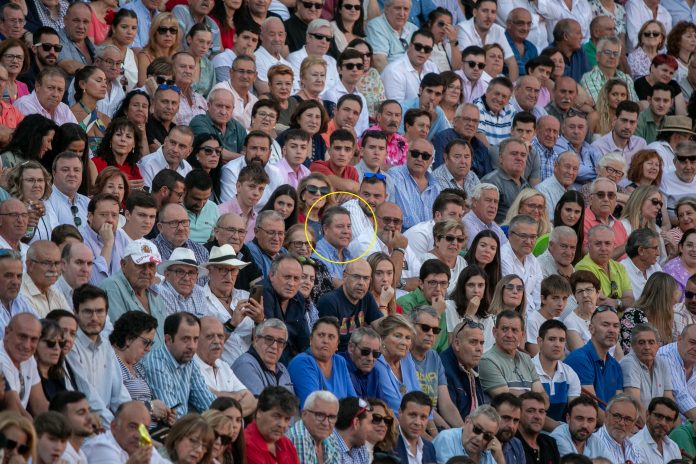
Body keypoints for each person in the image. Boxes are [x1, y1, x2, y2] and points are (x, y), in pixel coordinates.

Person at [66, 284, 131, 421]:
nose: (94, 318)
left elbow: (120, 395)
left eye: (100, 311)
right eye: (88, 312)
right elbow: (89, 398)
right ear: (75, 313)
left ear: (106, 314)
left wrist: (134, 424)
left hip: (109, 425)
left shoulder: (106, 345)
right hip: (86, 426)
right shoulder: (71, 346)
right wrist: (119, 430)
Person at [142, 312, 216, 418]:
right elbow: (172, 415)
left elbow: (207, 402)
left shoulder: (189, 360)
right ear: (168, 339)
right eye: (186, 339)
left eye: (195, 339)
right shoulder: (156, 364)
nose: (192, 346)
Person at [564, 305, 623, 414]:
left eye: (616, 326)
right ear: (591, 329)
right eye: (605, 325)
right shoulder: (579, 359)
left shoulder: (616, 366)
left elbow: (618, 407)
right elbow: (591, 411)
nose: (612, 330)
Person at [288, 316, 357, 407]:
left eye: (331, 337)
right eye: (321, 335)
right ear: (311, 339)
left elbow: (354, 402)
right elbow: (314, 407)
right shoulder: (302, 363)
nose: (325, 341)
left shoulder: (340, 362)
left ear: (337, 344)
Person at [194, 317, 256, 415]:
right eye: (210, 336)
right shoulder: (190, 366)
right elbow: (208, 401)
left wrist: (228, 416)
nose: (217, 341)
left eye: (220, 336)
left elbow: (251, 401)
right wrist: (235, 396)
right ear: (196, 340)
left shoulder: (223, 366)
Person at [478, 310, 546, 400]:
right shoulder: (487, 361)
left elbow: (543, 398)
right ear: (495, 332)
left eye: (514, 330)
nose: (509, 335)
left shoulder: (526, 358)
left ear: (522, 335)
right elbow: (508, 403)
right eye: (504, 329)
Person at [81, 401, 167, 464]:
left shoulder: (143, 446)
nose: (139, 436)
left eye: (144, 429)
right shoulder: (101, 446)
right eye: (132, 427)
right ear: (114, 427)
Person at [532, 320, 580, 425]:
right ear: (540, 342)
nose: (557, 344)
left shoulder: (570, 373)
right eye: (552, 339)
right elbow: (529, 415)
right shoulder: (527, 369)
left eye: (562, 340)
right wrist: (560, 430)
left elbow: (575, 412)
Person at [576, 225, 635, 310]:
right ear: (588, 245)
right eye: (598, 244)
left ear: (614, 245)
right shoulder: (583, 267)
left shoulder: (620, 267)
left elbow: (630, 299)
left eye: (607, 243)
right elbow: (599, 301)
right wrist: (622, 302)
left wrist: (617, 302)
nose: (603, 248)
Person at [262, 254, 309, 361]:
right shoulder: (263, 291)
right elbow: (270, 339)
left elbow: (304, 340)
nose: (291, 283)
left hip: (292, 360)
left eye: (296, 278)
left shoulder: (299, 298)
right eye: (287, 277)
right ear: (271, 275)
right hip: (269, 359)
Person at [387, 138, 442, 229]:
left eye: (425, 156)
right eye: (415, 154)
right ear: (407, 154)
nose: (419, 159)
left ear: (431, 160)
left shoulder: (436, 186)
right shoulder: (394, 176)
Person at [231, 319, 294, 395]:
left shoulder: (283, 369)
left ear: (284, 347)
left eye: (280, 342)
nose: (274, 346)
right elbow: (261, 405)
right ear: (256, 340)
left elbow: (292, 404)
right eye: (269, 339)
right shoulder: (245, 365)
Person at [440, 319, 485, 418]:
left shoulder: (471, 363)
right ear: (457, 344)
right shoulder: (444, 368)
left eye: (481, 343)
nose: (479, 348)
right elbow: (449, 413)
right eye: (473, 342)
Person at [1, 313, 46, 412]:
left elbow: (40, 404)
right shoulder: (1, 359)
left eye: (33, 339)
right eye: (22, 336)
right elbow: (17, 411)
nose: (27, 345)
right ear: (7, 333)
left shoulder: (28, 358)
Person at [432, 404, 502, 464]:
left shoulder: (489, 451)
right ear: (467, 421)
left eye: (487, 436)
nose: (479, 438)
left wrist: (500, 459)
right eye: (477, 429)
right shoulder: (447, 438)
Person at [286, 390, 340, 463]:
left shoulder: (330, 436)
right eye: (320, 415)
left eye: (331, 417)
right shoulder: (299, 437)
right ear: (304, 414)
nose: (326, 423)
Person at [364, 0, 419, 72]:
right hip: (392, 78)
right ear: (386, 9)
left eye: (406, 9)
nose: (402, 14)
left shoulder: (414, 29)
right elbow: (379, 63)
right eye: (397, 8)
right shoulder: (376, 26)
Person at [21, 241, 70, 318]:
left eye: (57, 263)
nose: (53, 269)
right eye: (46, 263)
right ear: (29, 265)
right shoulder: (20, 294)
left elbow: (71, 323)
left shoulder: (54, 291)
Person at [657, 324, 696, 420]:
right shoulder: (665, 356)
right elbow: (680, 396)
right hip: (666, 425)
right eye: (692, 342)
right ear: (679, 339)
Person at [592, 393, 645, 463]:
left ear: (634, 424)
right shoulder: (592, 444)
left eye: (628, 419)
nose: (621, 423)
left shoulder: (634, 448)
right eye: (617, 416)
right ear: (606, 415)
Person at [139, 126, 193, 190]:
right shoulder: (147, 165)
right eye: (172, 143)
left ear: (189, 151)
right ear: (165, 141)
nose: (175, 150)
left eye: (181, 146)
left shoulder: (188, 168)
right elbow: (145, 198)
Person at [628, 396, 681, 462]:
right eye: (658, 416)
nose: (663, 423)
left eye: (668, 419)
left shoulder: (674, 447)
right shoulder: (633, 447)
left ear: (673, 423)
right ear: (647, 415)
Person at [515, 391, 561, 463]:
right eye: (530, 411)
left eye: (541, 411)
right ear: (518, 414)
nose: (537, 416)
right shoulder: (511, 445)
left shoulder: (550, 442)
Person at [48, 391, 93, 463]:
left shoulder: (80, 454)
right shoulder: (62, 457)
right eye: (81, 412)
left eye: (89, 410)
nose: (90, 417)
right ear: (61, 418)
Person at [396, 390, 437, 464]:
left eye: (423, 417)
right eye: (412, 415)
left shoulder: (430, 448)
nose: (417, 422)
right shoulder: (387, 444)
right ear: (400, 413)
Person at [332, 396, 374, 463]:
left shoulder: (361, 448)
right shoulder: (328, 449)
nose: (372, 429)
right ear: (356, 423)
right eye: (370, 423)